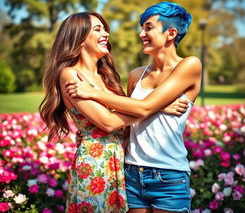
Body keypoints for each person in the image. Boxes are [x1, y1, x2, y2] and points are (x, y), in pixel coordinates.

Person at [39, 11, 187, 213]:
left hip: (120, 162)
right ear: (79, 38)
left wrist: (149, 106)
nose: (106, 34)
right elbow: (108, 122)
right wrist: (157, 106)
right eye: (97, 29)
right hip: (95, 165)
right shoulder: (71, 74)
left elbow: (128, 111)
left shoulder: (104, 75)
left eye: (105, 29)